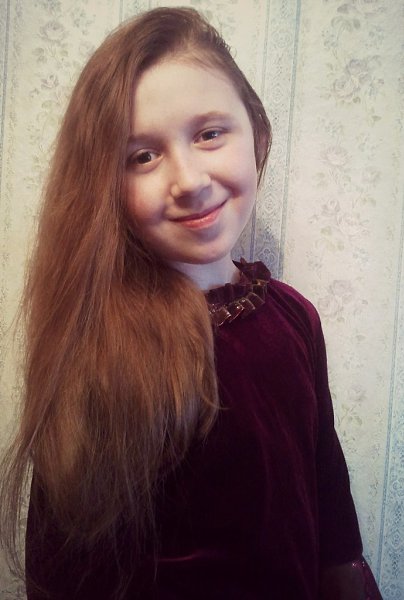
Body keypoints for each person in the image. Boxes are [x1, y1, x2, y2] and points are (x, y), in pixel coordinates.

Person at [0, 7, 382, 600]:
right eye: (142, 156)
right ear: (106, 184)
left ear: (256, 131)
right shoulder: (99, 348)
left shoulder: (295, 317)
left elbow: (332, 519)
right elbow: (63, 574)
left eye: (208, 134)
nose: (189, 181)